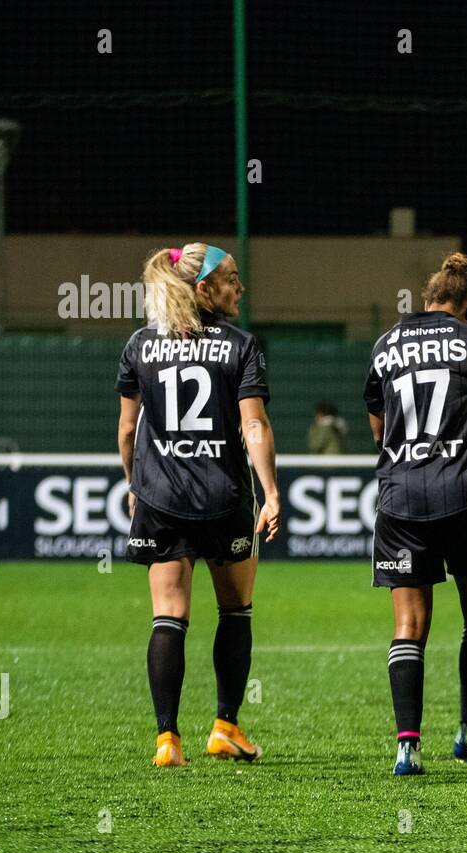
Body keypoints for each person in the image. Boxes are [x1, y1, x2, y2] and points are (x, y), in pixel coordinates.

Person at [116, 243, 281, 768]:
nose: (242, 288)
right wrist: (271, 490)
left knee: (169, 615)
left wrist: (134, 482)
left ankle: (167, 741)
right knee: (235, 610)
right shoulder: (240, 346)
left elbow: (125, 431)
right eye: (232, 279)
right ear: (204, 288)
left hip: (161, 498)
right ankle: (226, 726)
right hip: (223, 496)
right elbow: (253, 424)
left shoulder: (140, 344)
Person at [363, 253, 467, 776]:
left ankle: (407, 746)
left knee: (408, 625)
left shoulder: (384, 347)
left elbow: (379, 431)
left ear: (426, 300)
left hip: (401, 497)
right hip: (465, 494)